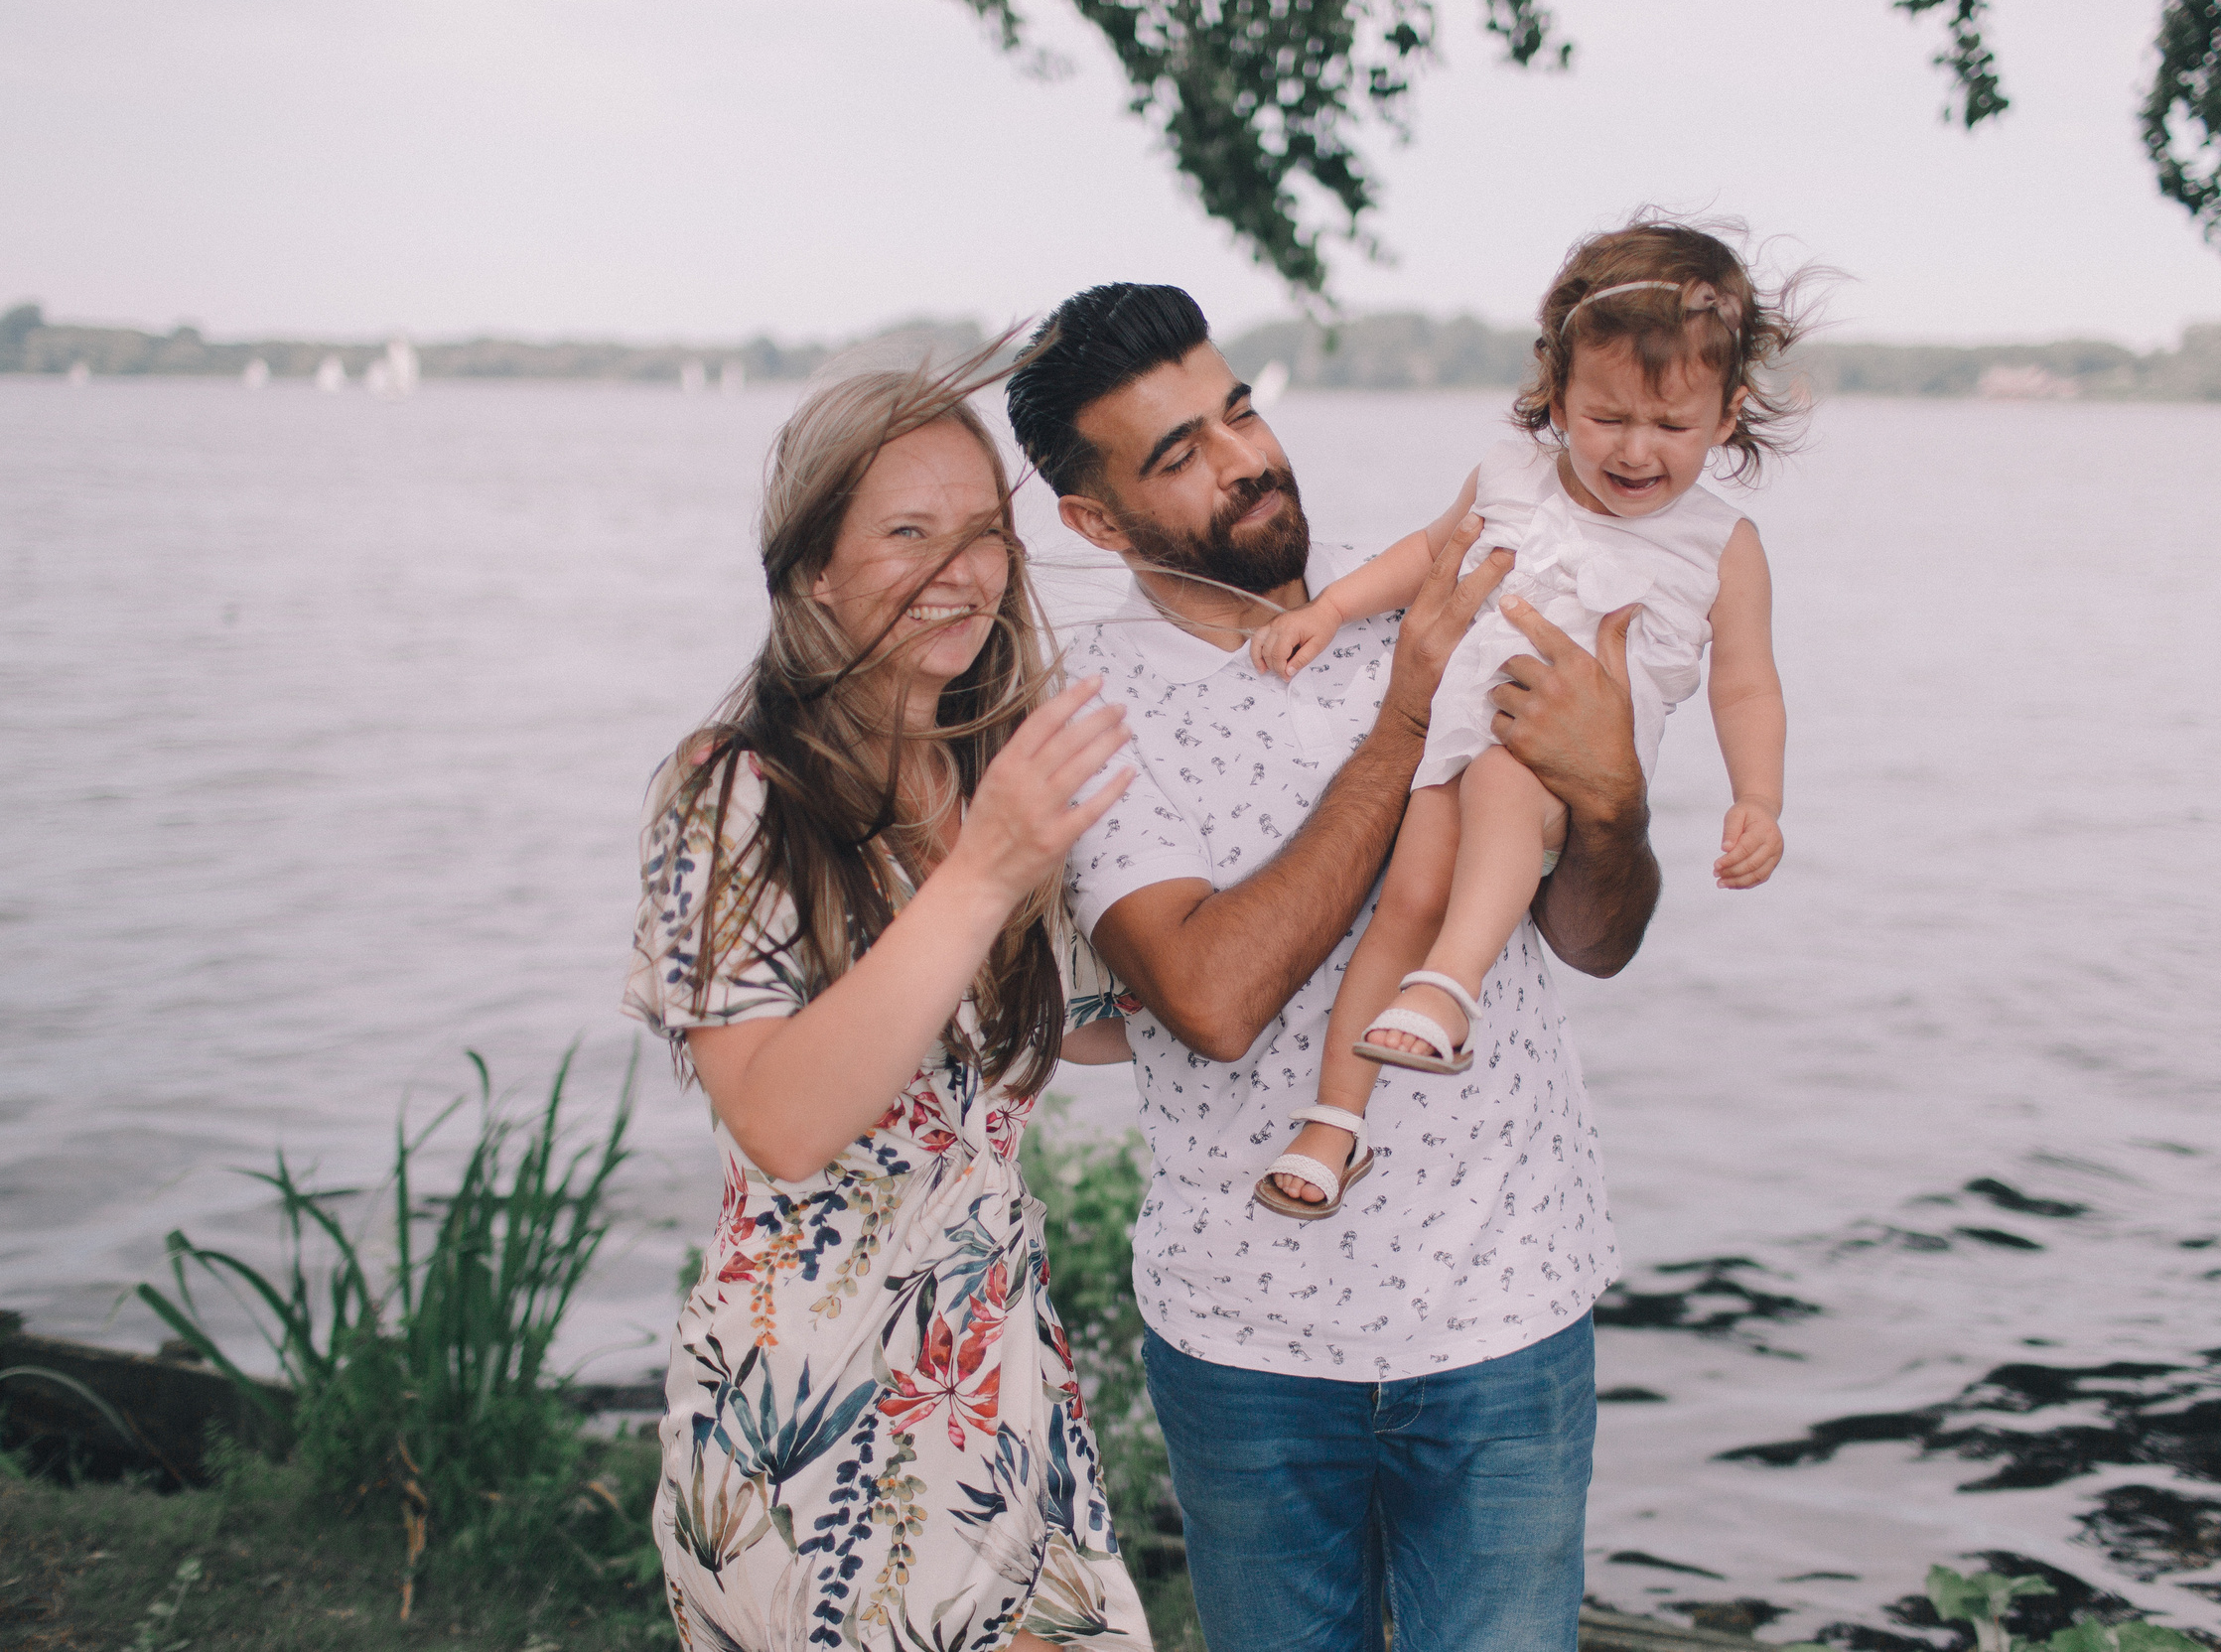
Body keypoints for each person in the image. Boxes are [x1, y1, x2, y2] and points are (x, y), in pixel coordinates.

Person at [1003, 283, 1662, 1652]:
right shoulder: (1084, 716)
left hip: (1506, 1302)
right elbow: (1213, 994)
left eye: (1237, 408)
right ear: (1094, 519)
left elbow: (1594, 938)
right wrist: (1408, 709)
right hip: (1252, 1344)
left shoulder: (1450, 586)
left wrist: (1614, 806)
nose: (1244, 458)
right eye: (1178, 453)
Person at [623, 358, 1154, 1652]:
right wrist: (986, 868)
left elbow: (1094, 1020)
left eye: (982, 530)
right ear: (814, 566)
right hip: (817, 1430)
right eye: (908, 531)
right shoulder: (736, 793)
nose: (959, 569)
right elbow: (782, 1117)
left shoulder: (988, 761)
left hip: (1001, 1397)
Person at [1248, 218, 1805, 1213]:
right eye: (1606, 418)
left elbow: (1746, 683)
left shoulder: (1722, 544)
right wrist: (1329, 607)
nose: (1636, 451)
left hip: (1569, 766)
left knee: (1508, 781)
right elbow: (1427, 551)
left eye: (1671, 427)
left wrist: (1756, 797)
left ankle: (1449, 991)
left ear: (1726, 417)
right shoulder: (1508, 473)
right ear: (1555, 396)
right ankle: (1334, 1125)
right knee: (1407, 898)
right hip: (1457, 733)